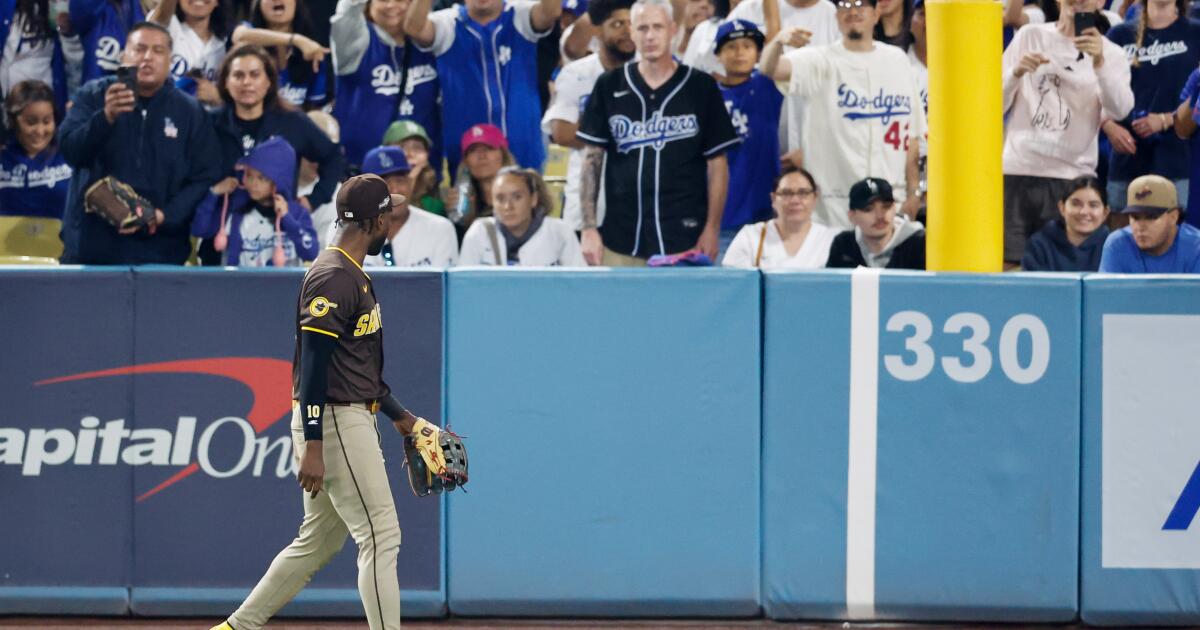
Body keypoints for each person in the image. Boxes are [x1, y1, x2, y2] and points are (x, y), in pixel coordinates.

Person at [209, 173, 442, 630]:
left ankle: (235, 628)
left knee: (318, 541)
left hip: (346, 414)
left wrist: (403, 419)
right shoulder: (334, 277)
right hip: (334, 421)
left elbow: (355, 368)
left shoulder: (346, 271)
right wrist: (313, 444)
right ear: (376, 221)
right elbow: (312, 369)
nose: (392, 222)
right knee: (381, 534)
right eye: (388, 215)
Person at [577, 0, 740, 266]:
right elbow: (591, 160)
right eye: (642, 28)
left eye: (657, 27)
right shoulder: (609, 85)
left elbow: (717, 165)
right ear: (632, 32)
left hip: (685, 237)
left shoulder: (701, 86)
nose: (650, 36)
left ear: (672, 30)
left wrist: (712, 228)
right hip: (622, 238)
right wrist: (588, 228)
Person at [57, 21, 220, 264]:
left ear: (170, 60)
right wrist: (105, 117)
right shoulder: (92, 96)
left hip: (162, 250)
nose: (147, 58)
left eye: (157, 51)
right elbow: (70, 151)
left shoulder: (190, 112)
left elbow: (204, 175)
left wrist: (166, 216)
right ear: (124, 55)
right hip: (92, 249)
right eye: (139, 49)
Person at [760, 0, 925, 231]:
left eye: (861, 5)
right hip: (834, 211)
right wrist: (778, 41)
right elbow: (770, 69)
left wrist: (914, 193)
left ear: (877, 13)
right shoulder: (818, 60)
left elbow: (913, 138)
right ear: (836, 16)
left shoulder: (897, 61)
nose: (853, 11)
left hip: (890, 207)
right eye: (845, 5)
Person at [1000, 0, 1133, 266]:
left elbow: (1120, 109)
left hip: (1073, 179)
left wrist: (1100, 64)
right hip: (1019, 171)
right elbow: (992, 105)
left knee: (1065, 272)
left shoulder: (1112, 53)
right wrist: (1015, 74)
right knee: (1011, 267)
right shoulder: (1030, 36)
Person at [404, 0, 561, 173]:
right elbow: (414, 28)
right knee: (467, 198)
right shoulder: (447, 22)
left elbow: (550, 12)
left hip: (523, 150)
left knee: (528, 198)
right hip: (468, 156)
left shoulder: (520, 15)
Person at [540, 0, 635, 233]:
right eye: (618, 24)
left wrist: (593, 129)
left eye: (633, 24)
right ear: (599, 31)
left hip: (636, 203)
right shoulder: (576, 73)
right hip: (584, 206)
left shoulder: (650, 72)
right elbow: (562, 133)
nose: (627, 31)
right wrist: (623, 128)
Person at [1104, 0, 1200, 211]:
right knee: (1122, 235)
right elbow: (1094, 87)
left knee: (1169, 232)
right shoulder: (1118, 35)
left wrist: (1166, 119)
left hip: (1173, 155)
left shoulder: (1195, 33)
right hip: (1125, 155)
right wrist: (1109, 126)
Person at [331, 0, 441, 170]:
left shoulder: (430, 41)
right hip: (364, 172)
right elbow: (345, 15)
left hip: (421, 175)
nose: (391, 6)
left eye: (400, 0)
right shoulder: (356, 41)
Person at [191, 136, 318, 266]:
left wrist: (287, 219)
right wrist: (214, 192)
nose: (253, 183)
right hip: (239, 284)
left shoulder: (297, 213)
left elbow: (311, 252)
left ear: (279, 181)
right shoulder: (235, 207)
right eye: (249, 175)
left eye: (262, 178)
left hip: (284, 286)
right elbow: (200, 230)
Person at [715, 19, 782, 248]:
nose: (739, 53)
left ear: (758, 53)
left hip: (767, 213)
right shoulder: (708, 96)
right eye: (731, 47)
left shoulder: (767, 86)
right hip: (723, 218)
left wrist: (781, 39)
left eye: (747, 46)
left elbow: (774, 56)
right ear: (718, 55)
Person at [348, 145, 459, 266]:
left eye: (400, 180)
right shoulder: (344, 233)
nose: (394, 189)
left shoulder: (440, 230)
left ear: (410, 183)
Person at [458, 166, 587, 265]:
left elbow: (578, 286)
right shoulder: (479, 232)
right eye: (500, 199)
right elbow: (463, 287)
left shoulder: (560, 232)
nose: (508, 206)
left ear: (533, 199)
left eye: (517, 197)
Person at [722, 166, 836, 268]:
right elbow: (733, 284)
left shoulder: (831, 240)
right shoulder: (750, 236)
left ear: (815, 197)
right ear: (773, 199)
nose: (795, 200)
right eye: (786, 193)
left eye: (803, 193)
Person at [232, 0, 331, 108]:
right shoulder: (248, 29)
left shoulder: (310, 49)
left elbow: (313, 108)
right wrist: (295, 40)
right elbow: (240, 37)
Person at [1099, 174, 1200, 272]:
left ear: (1173, 217)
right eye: (1135, 217)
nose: (1140, 227)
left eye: (1151, 217)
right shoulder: (1117, 245)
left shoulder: (1196, 247)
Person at [0, 80, 71, 218]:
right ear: (13, 121)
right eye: (31, 122)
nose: (40, 131)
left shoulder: (69, 154)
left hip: (58, 239)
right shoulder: (3, 157)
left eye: (47, 121)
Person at [826, 176, 925, 269]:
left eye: (886, 206)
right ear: (852, 216)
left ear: (894, 208)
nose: (880, 216)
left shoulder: (919, 243)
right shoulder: (844, 245)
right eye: (868, 209)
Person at [146, 0, 234, 102]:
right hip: (166, 112)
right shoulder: (169, 26)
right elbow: (159, 19)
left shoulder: (225, 41)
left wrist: (218, 98)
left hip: (208, 115)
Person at [1021, 176, 1111, 271]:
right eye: (1076, 204)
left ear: (1105, 212)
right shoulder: (1039, 245)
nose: (1084, 212)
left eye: (1093, 205)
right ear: (1062, 207)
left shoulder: (1114, 246)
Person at [445, 123, 517, 231]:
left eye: (489, 148)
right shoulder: (461, 199)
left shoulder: (523, 192)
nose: (481, 156)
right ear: (466, 161)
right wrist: (459, 218)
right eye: (473, 150)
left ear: (503, 155)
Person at [1, 0, 69, 106]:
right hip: (10, 100)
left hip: (47, 100)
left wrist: (65, 29)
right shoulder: (6, 7)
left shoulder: (57, 8)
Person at [69, 0, 146, 82]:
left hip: (134, 85)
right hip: (98, 86)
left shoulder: (135, 6)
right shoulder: (89, 6)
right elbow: (80, 15)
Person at [382, 119, 443, 215]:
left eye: (417, 147)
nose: (410, 154)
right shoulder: (372, 189)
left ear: (427, 156)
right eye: (402, 147)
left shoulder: (435, 203)